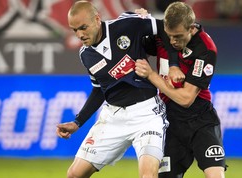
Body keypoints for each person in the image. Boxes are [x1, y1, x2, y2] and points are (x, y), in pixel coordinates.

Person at [55, 1, 177, 178]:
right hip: (113, 118)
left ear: (97, 19)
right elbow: (99, 90)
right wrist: (77, 122)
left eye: (83, 27)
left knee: (148, 176)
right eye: (75, 30)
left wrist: (173, 65)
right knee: (74, 175)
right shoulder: (86, 55)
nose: (80, 35)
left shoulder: (127, 25)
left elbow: (165, 29)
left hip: (147, 115)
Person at [135, 2, 227, 178]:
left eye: (178, 36)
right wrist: (138, 20)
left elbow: (186, 99)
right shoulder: (161, 36)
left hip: (200, 120)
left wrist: (152, 76)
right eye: (169, 36)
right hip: (170, 123)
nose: (173, 42)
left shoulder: (205, 48)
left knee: (216, 176)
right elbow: (134, 41)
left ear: (191, 29)